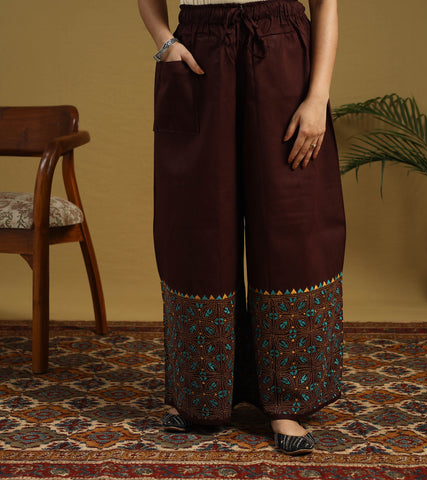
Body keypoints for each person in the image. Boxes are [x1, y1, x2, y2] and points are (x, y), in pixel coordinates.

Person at [138, 0, 346, 455]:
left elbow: (326, 4)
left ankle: (287, 402)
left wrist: (318, 97)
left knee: (291, 228)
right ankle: (201, 395)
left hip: (282, 48)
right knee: (196, 227)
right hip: (198, 53)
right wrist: (165, 42)